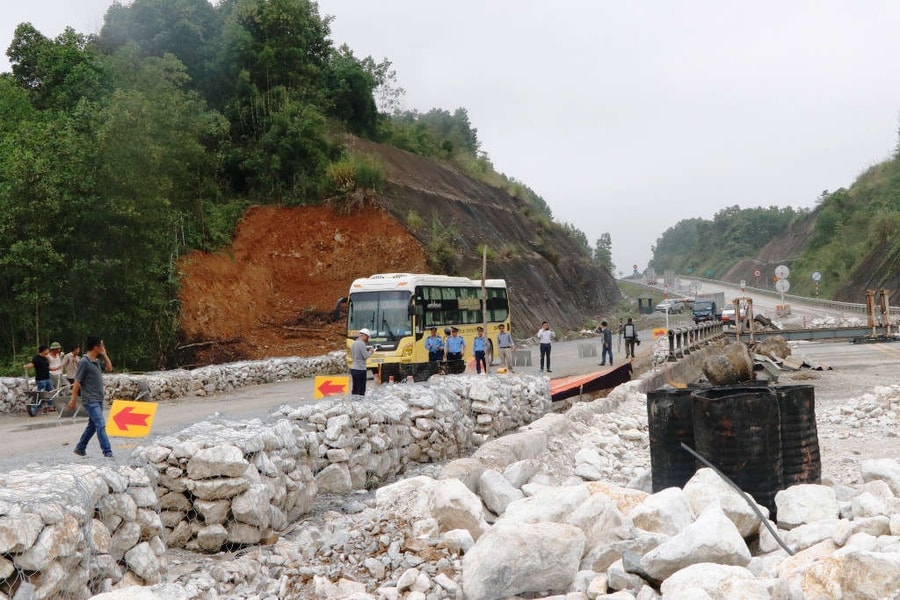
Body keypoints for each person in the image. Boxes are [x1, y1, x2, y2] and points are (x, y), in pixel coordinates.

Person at [68, 335, 114, 458]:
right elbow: (77, 381)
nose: (103, 348)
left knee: (93, 425)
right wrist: (73, 399)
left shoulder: (97, 362)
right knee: (100, 424)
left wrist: (104, 355)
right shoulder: (84, 362)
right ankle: (107, 452)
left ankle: (80, 448)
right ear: (96, 347)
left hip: (99, 398)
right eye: (102, 346)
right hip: (90, 399)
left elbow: (109, 368)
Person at [350, 328, 374, 397]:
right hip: (360, 370)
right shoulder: (362, 343)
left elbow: (352, 355)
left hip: (354, 368)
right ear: (365, 336)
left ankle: (354, 403)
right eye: (368, 337)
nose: (367, 339)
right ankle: (360, 404)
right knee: (361, 390)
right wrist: (371, 351)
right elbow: (365, 356)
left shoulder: (354, 343)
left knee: (355, 389)